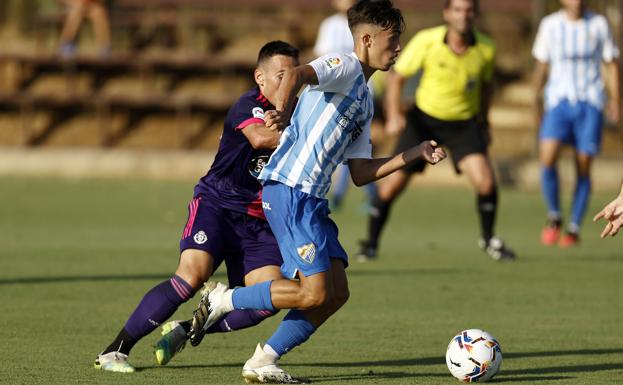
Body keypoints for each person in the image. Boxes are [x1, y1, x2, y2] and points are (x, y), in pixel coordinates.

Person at [187, 1, 446, 383]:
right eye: (393, 41)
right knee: (311, 292)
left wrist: (414, 153)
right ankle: (223, 299)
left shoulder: (363, 99)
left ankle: (263, 360)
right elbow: (293, 74)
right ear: (367, 39)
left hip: (313, 202)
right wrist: (282, 111)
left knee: (336, 293)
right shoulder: (343, 66)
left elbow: (360, 172)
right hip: (290, 191)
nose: (398, 49)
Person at [93, 41, 300, 373]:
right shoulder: (249, 104)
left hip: (260, 220)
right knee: (190, 278)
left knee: (269, 298)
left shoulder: (298, 112)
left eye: (295, 76)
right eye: (280, 75)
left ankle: (187, 328)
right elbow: (261, 139)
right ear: (259, 77)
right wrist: (310, 135)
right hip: (217, 206)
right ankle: (114, 351)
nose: (288, 84)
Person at [357, 0, 515, 262]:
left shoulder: (486, 48)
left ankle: (489, 240)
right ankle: (370, 244)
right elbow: (397, 77)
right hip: (424, 122)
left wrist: (484, 122)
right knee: (390, 187)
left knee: (486, 181)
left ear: (475, 14)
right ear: (447, 13)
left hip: (464, 124)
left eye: (468, 10)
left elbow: (485, 87)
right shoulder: (427, 40)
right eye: (457, 10)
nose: (463, 15)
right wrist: (395, 115)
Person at [533, 0, 620, 247]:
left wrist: (616, 99)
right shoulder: (550, 25)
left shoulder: (599, 24)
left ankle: (573, 226)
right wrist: (535, 98)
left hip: (589, 103)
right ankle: (554, 215)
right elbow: (542, 65)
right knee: (547, 158)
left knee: (583, 165)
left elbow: (611, 62)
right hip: (558, 102)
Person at [314, 0, 378, 211]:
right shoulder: (329, 25)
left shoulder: (368, 24)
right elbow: (320, 60)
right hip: (335, 96)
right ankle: (365, 196)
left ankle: (347, 195)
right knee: (346, 146)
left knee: (356, 146)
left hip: (363, 94)